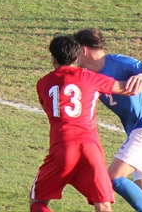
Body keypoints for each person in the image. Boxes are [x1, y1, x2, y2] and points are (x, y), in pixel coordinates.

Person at [74, 29, 142, 212]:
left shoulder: (117, 62)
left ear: (84, 50)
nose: (74, 56)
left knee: (114, 178)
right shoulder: (88, 74)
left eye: (76, 51)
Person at [31, 35, 128, 212]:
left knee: (38, 202)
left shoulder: (43, 83)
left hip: (62, 147)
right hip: (90, 148)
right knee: (104, 206)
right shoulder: (90, 77)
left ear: (53, 57)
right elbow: (125, 88)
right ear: (76, 58)